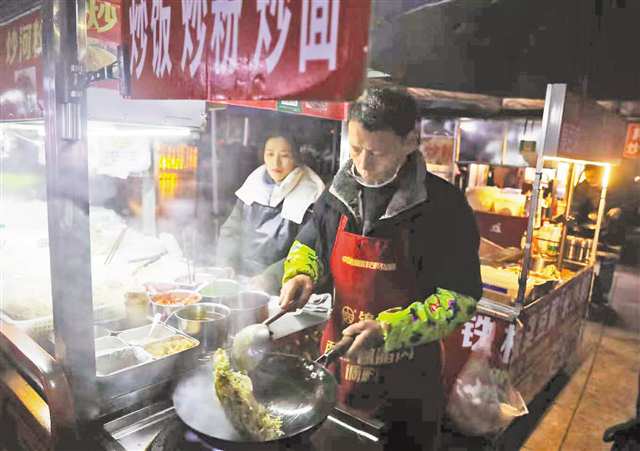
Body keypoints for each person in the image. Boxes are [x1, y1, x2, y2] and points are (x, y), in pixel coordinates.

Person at [278, 88, 482, 450]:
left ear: (409, 142)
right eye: (356, 149)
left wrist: (389, 329)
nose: (363, 165)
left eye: (377, 152)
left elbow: (459, 301)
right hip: (337, 372)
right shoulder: (336, 196)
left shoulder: (444, 208)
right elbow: (309, 244)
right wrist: (301, 273)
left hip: (407, 391)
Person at [216, 132, 324, 291]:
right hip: (243, 281)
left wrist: (272, 277)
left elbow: (310, 250)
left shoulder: (311, 193)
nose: (276, 162)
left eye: (285, 155)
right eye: (270, 154)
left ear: (296, 157)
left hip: (286, 287)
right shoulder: (254, 182)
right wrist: (226, 263)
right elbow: (231, 230)